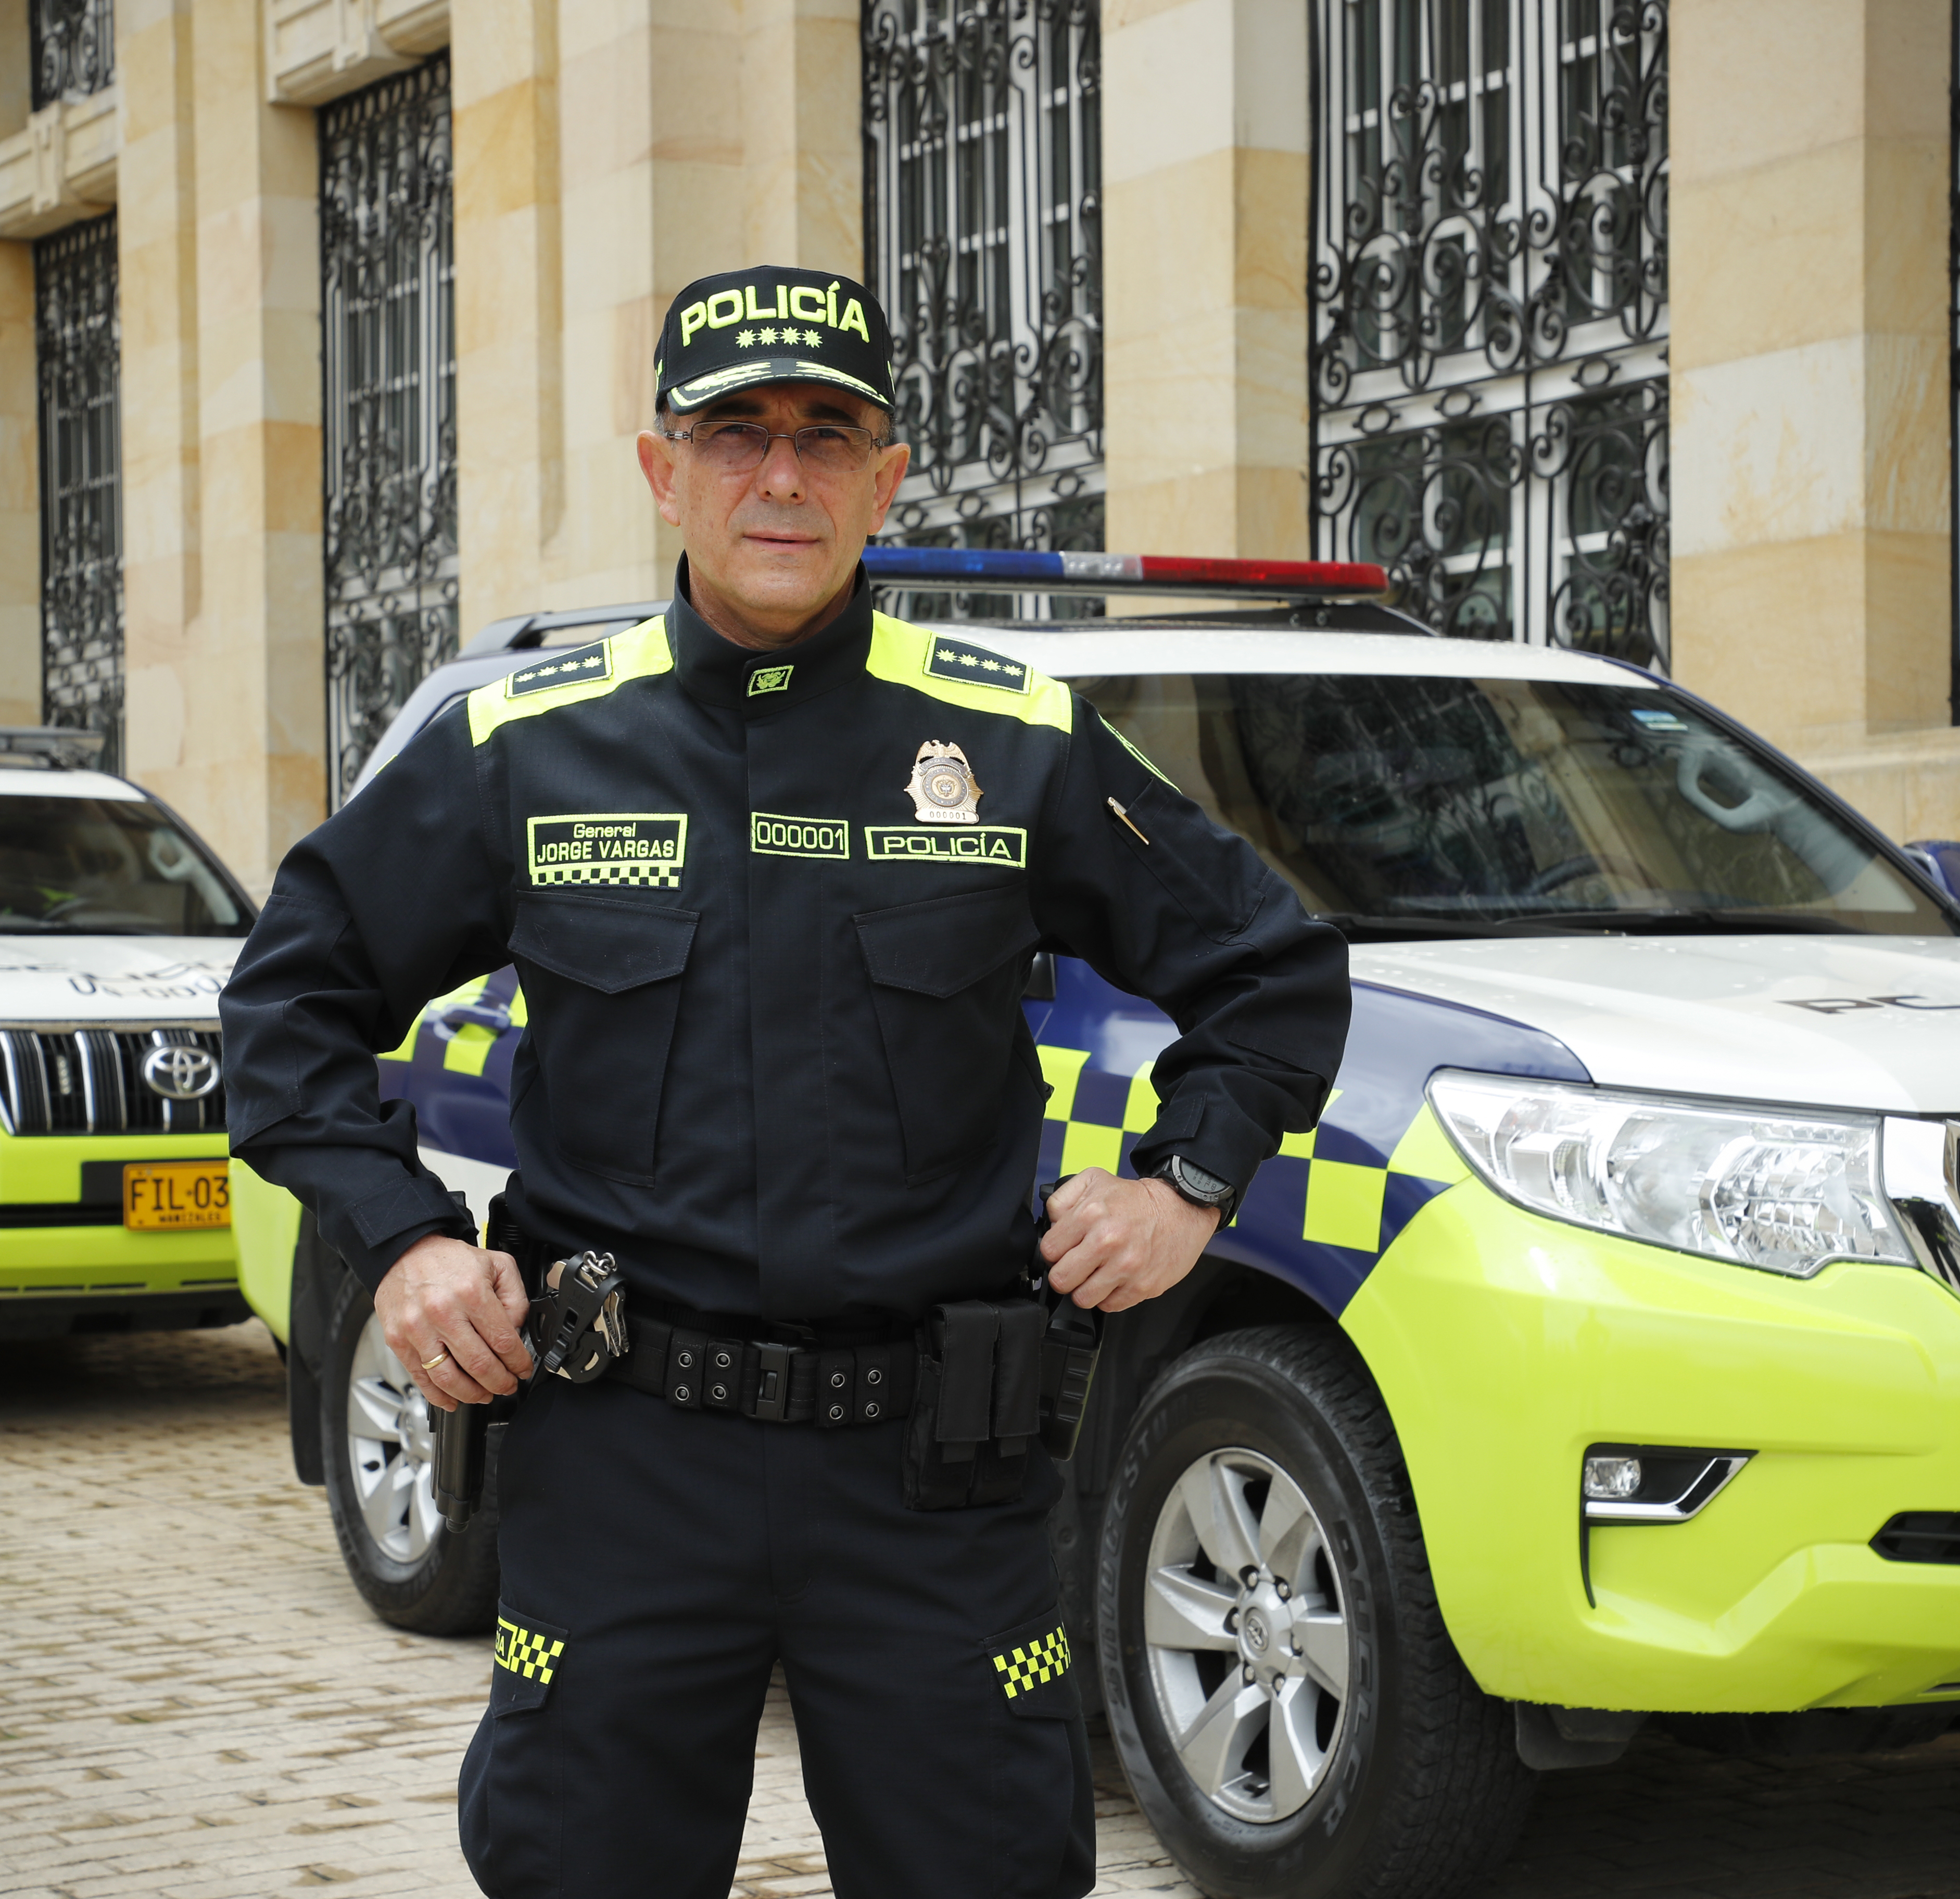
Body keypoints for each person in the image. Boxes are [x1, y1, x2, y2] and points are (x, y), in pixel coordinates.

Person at [221, 264, 1351, 1899]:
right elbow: (286, 1002)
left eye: (828, 434)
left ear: (887, 478)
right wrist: (401, 1239)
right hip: (620, 1469)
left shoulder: (1010, 739)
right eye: (734, 431)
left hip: (930, 1481)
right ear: (659, 469)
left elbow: (1272, 974)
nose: (780, 474)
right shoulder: (532, 749)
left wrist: (1189, 1183)